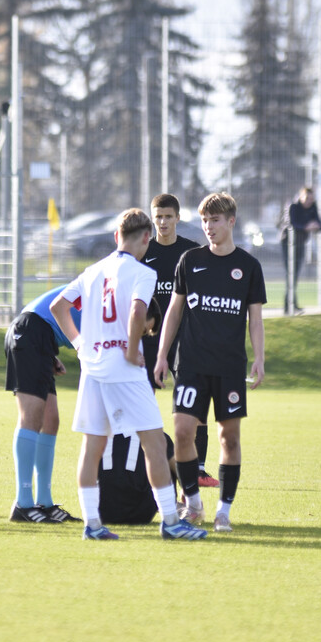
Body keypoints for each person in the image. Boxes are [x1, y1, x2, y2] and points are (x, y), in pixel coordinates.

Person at [50, 208, 206, 541]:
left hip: (92, 368)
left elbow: (58, 308)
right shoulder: (140, 272)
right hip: (125, 369)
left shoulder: (93, 270)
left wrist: (79, 346)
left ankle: (92, 524)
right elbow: (138, 311)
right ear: (146, 238)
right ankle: (171, 522)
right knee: (153, 444)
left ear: (115, 236)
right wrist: (132, 348)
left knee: (92, 447)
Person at [155, 192, 266, 534]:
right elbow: (174, 310)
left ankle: (224, 511)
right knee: (184, 432)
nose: (209, 227)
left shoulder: (248, 266)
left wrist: (259, 357)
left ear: (231, 222)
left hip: (230, 366)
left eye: (215, 220)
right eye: (204, 221)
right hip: (190, 363)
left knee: (228, 438)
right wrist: (162, 354)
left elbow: (255, 319)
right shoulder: (190, 261)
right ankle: (193, 504)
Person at [141, 193, 215, 488]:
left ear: (177, 218)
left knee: (194, 402)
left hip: (185, 340)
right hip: (148, 340)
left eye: (168, 217)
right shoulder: (143, 252)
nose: (163, 222)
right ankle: (140, 461)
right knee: (142, 401)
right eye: (158, 217)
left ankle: (198, 468)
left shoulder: (191, 253)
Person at [4, 284, 82, 523]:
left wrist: (50, 353)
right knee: (32, 417)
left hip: (41, 338)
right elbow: (40, 314)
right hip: (30, 332)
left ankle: (44, 502)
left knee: (50, 421)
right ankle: (23, 504)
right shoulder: (103, 286)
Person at [280, 185, 321, 315]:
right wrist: (306, 227)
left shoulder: (313, 207)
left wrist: (315, 225)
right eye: (307, 198)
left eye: (311, 198)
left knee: (295, 274)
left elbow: (320, 224)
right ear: (301, 196)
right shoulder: (293, 206)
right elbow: (291, 224)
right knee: (290, 274)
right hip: (288, 243)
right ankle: (289, 306)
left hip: (300, 244)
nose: (309, 201)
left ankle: (292, 305)